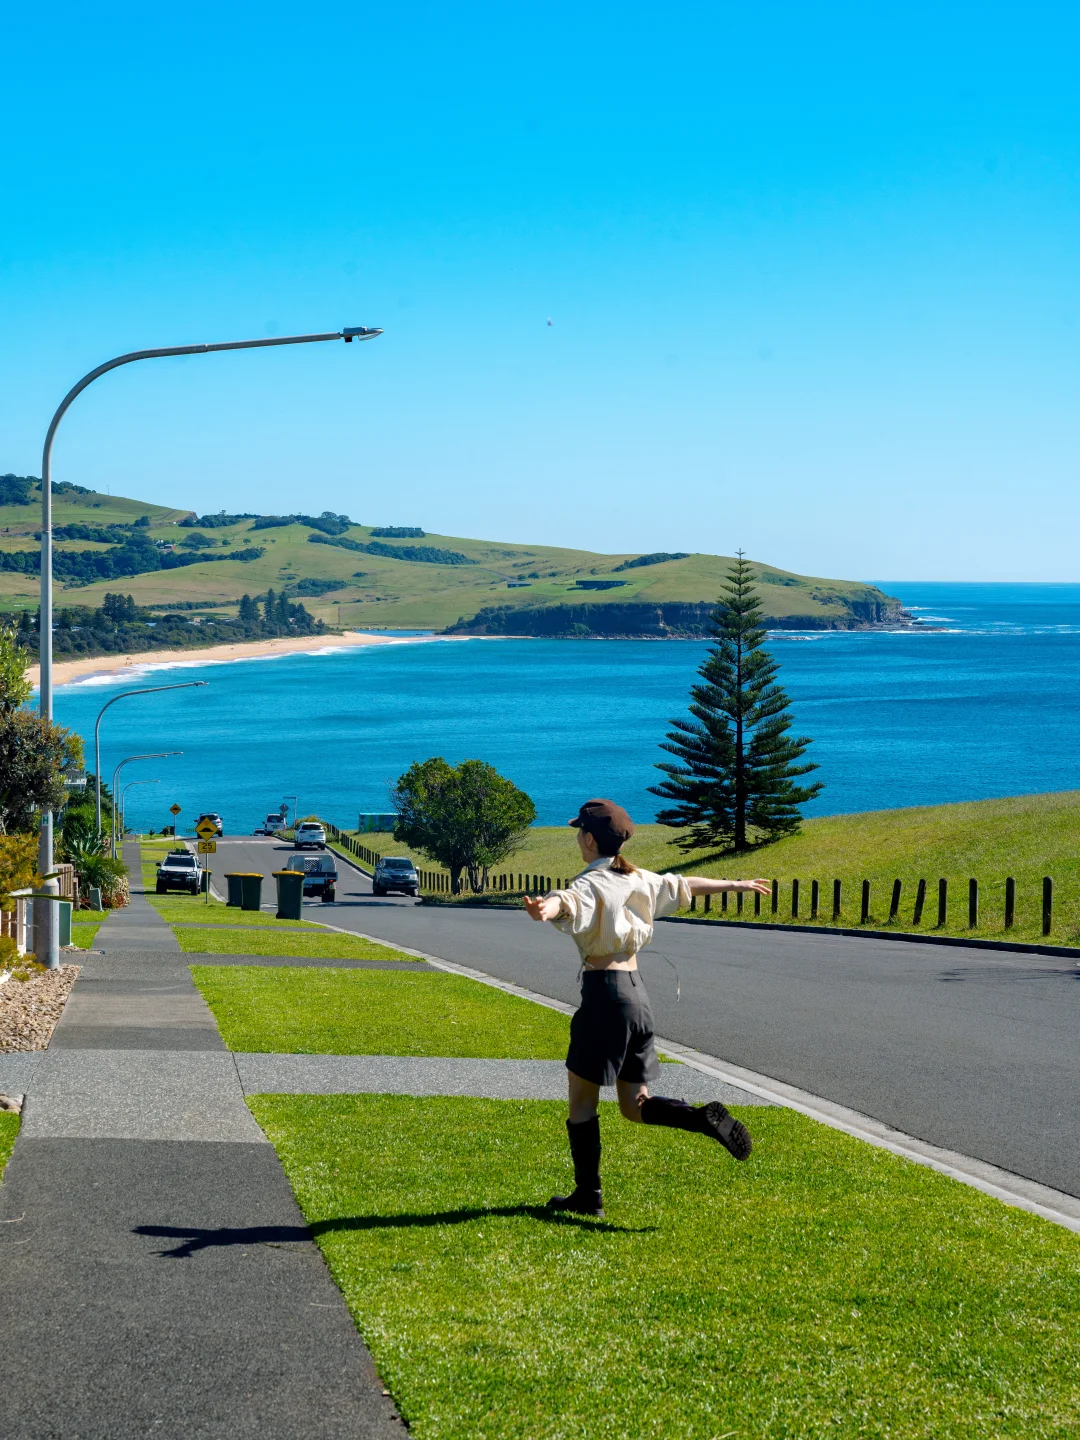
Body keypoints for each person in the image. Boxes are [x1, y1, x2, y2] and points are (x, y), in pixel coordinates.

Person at [524, 798, 770, 1218]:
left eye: (578, 833)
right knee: (634, 1105)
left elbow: (565, 901)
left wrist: (543, 909)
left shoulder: (590, 882)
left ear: (587, 839)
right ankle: (698, 1119)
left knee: (582, 1103)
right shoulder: (637, 878)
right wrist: (737, 884)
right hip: (637, 996)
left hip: (604, 996)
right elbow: (684, 884)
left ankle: (589, 1196)